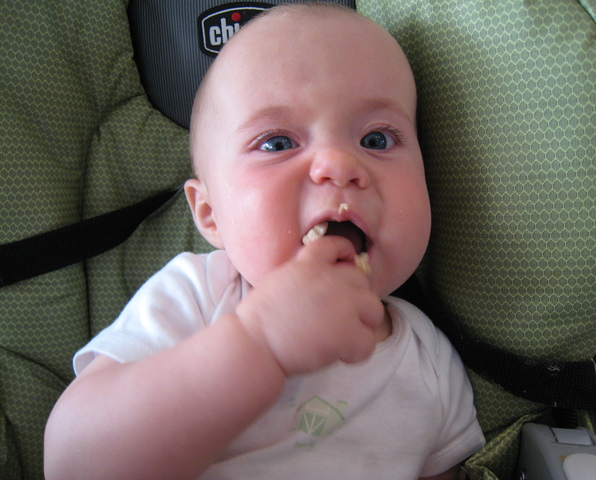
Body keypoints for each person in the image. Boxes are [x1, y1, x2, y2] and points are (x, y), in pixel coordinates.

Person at [44, 3, 485, 479]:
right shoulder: (197, 299)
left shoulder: (427, 357)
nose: (339, 165)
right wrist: (259, 342)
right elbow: (74, 462)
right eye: (277, 143)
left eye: (377, 139)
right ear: (210, 214)